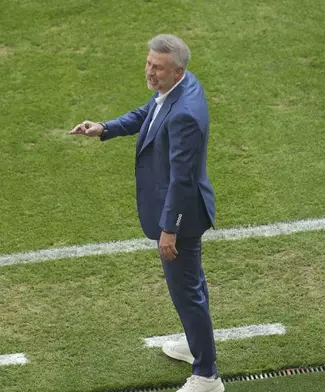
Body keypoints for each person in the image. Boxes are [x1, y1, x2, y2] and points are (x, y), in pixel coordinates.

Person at [70, 34, 223, 392]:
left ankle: (207, 376)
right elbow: (149, 112)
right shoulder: (179, 87)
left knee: (187, 291)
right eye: (148, 64)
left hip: (182, 215)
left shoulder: (185, 114)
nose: (150, 72)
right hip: (183, 209)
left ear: (178, 71)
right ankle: (194, 343)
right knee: (191, 287)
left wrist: (169, 229)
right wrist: (106, 128)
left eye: (158, 68)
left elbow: (181, 181)